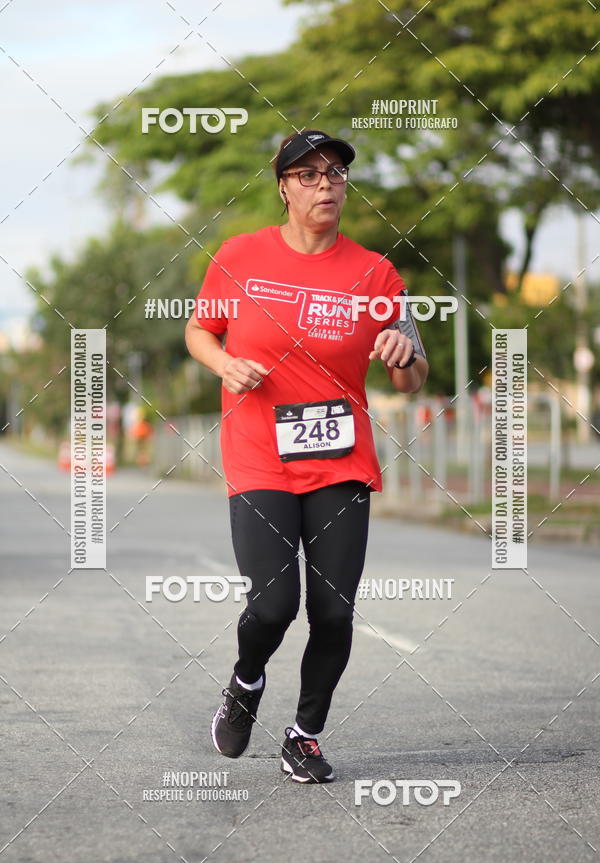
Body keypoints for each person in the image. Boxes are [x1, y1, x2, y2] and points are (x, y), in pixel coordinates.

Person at [185, 129, 428, 783]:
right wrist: (225, 362)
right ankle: (245, 682)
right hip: (259, 453)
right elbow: (200, 329)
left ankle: (305, 735)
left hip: (341, 457)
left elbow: (412, 370)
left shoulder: (375, 272)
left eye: (336, 175)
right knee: (272, 607)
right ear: (285, 188)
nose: (326, 185)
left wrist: (406, 360)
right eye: (310, 175)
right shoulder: (240, 256)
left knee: (332, 611)